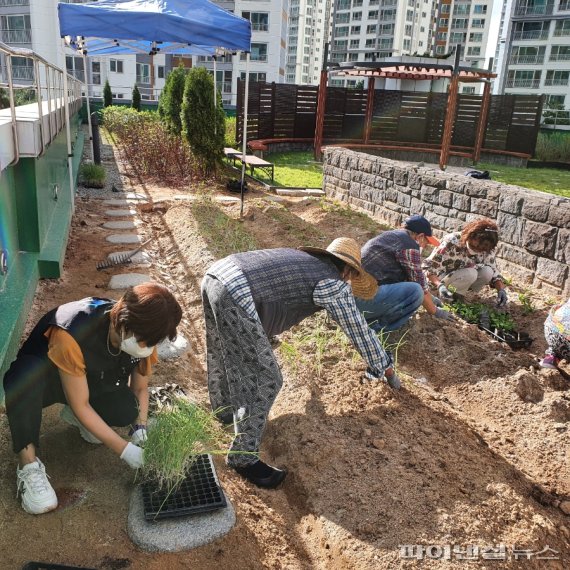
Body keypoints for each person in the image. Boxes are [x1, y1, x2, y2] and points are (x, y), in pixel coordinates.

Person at [201, 238, 399, 489]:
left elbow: (269, 291)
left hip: (216, 274)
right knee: (267, 378)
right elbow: (358, 330)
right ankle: (243, 458)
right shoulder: (332, 283)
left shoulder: (305, 264)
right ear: (347, 271)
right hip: (236, 291)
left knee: (222, 349)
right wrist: (384, 366)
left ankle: (225, 411)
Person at [2, 282, 182, 515]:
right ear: (123, 323)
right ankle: (29, 466)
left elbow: (140, 389)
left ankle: (82, 422)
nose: (148, 348)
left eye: (153, 343)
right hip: (46, 380)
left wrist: (140, 429)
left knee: (127, 409)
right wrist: (126, 451)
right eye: (146, 341)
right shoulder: (72, 330)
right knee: (23, 378)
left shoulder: (144, 334)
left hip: (90, 378)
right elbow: (81, 404)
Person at [356, 214, 453, 332]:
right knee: (415, 292)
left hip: (352, 297)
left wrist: (431, 298)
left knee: (414, 290)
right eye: (426, 243)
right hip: (361, 301)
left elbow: (406, 278)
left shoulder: (391, 236)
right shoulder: (409, 246)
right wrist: (436, 312)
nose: (425, 246)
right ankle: (376, 328)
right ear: (420, 236)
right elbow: (420, 287)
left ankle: (369, 320)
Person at [423, 218, 508, 306]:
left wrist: (501, 290)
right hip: (443, 282)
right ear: (470, 236)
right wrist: (440, 286)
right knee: (471, 273)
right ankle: (450, 295)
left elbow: (494, 272)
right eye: (474, 246)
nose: (477, 251)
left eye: (481, 249)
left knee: (487, 272)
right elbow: (429, 268)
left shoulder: (487, 249)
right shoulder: (451, 242)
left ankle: (465, 294)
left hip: (463, 279)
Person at [540, 299, 570, 370]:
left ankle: (551, 358)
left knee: (557, 348)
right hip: (567, 341)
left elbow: (558, 307)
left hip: (550, 329)